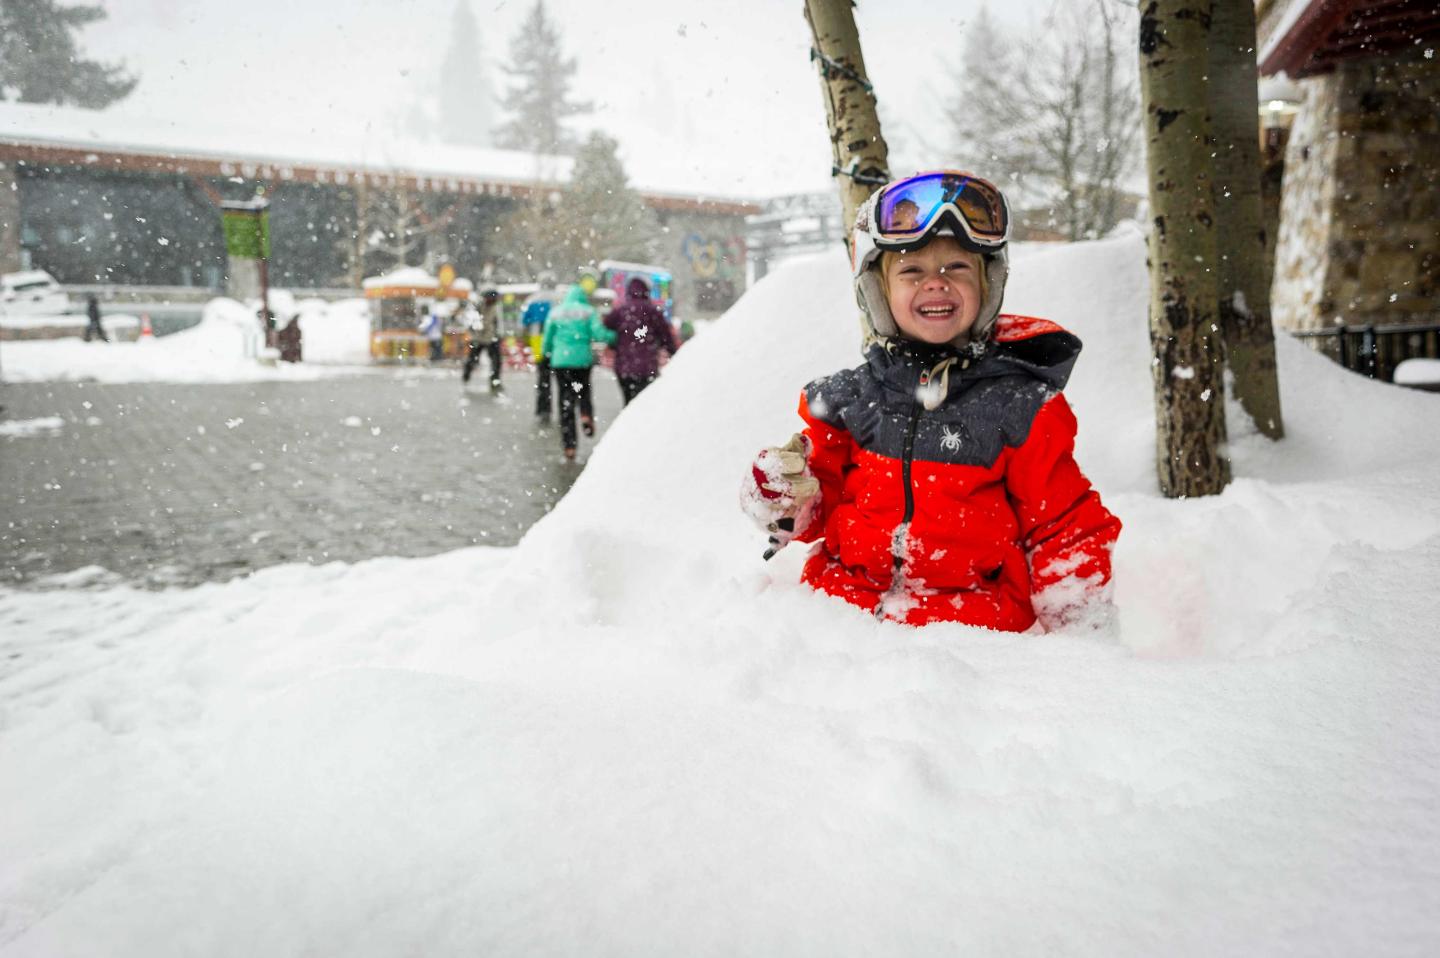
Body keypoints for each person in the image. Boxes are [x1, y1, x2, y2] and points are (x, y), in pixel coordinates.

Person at [739, 170, 1121, 632]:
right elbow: (815, 506)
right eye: (912, 271)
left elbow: (1063, 529)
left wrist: (1080, 633)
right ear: (879, 293)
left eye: (957, 268)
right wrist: (783, 494)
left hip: (973, 638)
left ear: (988, 284)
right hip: (840, 625)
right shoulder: (850, 402)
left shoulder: (1018, 408)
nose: (936, 283)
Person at [541, 279, 616, 460]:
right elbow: (600, 334)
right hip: (582, 360)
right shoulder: (588, 312)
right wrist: (616, 337)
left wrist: (546, 354)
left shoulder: (555, 312)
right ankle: (585, 414)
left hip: (560, 361)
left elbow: (547, 339)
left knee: (565, 401)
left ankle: (569, 446)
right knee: (583, 391)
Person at [603, 275, 679, 404]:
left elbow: (606, 326)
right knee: (645, 406)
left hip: (624, 368)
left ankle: (630, 422)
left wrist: (614, 344)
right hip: (647, 367)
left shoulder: (621, 311)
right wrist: (675, 354)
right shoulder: (653, 311)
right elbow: (666, 337)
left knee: (629, 404)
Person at [523, 273, 562, 420]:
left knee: (543, 377)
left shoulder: (532, 300)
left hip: (538, 341)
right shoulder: (560, 299)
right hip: (557, 342)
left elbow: (524, 322)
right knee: (561, 377)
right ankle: (564, 407)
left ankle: (543, 409)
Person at [462, 287, 504, 391]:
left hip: (491, 338)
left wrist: (499, 335)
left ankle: (495, 381)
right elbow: (471, 322)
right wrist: (474, 334)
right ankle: (466, 375)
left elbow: (498, 323)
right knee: (472, 359)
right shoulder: (478, 307)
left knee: (496, 362)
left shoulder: (496, 308)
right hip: (478, 338)